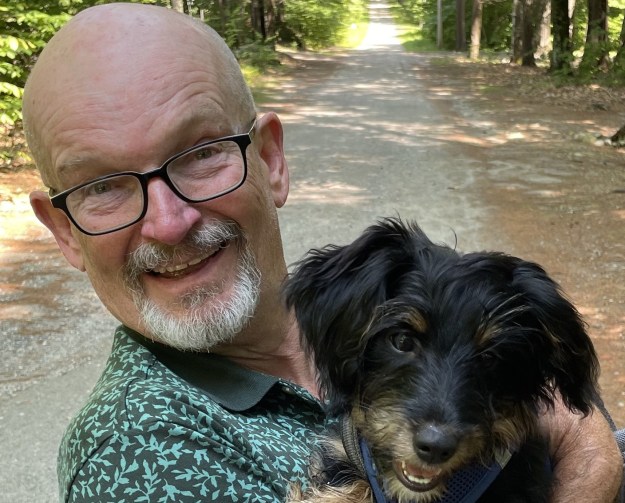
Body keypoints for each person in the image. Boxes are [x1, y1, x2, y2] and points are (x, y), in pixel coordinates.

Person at [22, 3, 622, 502]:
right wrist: (587, 462)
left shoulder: (358, 303)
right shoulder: (137, 457)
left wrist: (578, 433)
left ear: (270, 160)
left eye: (201, 153)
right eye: (101, 187)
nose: (169, 223)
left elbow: (554, 391)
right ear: (64, 230)